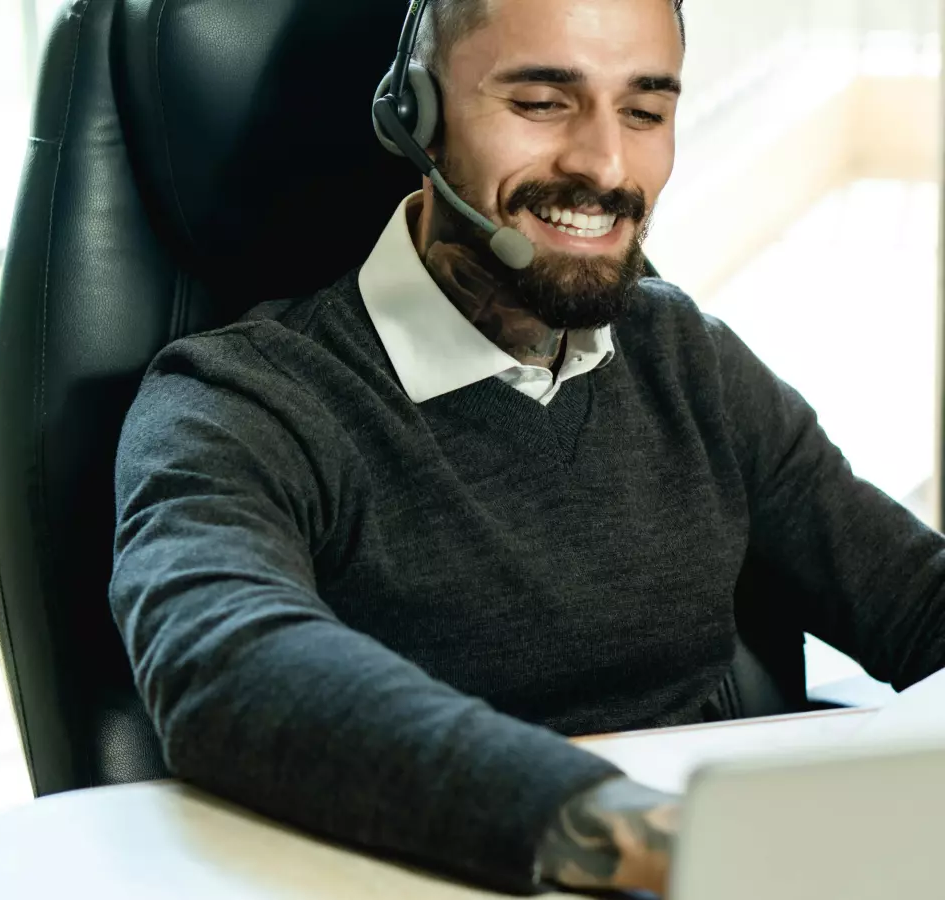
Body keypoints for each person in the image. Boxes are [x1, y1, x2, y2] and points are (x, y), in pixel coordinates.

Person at [109, 0, 945, 895]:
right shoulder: (245, 398)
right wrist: (642, 835)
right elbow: (225, 661)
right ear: (414, 117)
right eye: (544, 102)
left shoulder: (681, 354)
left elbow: (912, 595)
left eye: (645, 110)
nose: (605, 164)